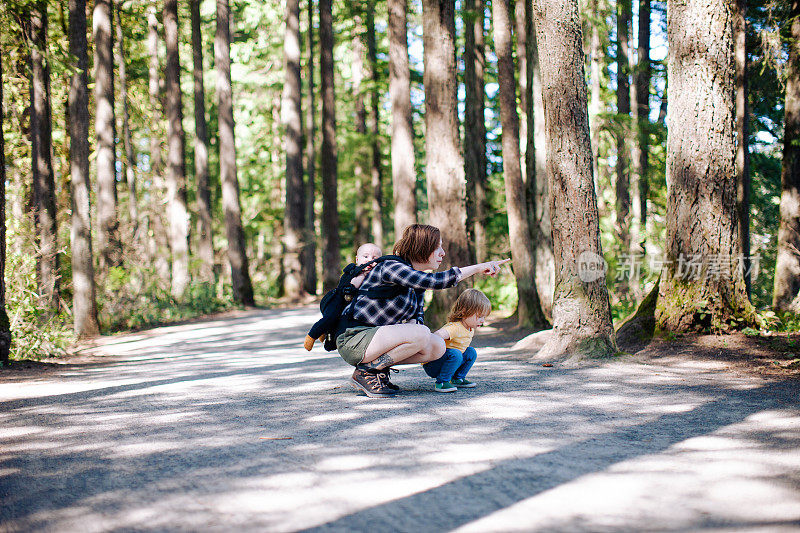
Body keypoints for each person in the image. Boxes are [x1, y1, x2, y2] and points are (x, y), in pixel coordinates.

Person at [337, 224, 509, 398]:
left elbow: (416, 317)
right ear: (421, 247)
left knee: (436, 345)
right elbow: (435, 281)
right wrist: (479, 267)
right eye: (437, 247)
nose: (442, 253)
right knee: (422, 333)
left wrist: (414, 326)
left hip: (375, 340)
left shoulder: (415, 284)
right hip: (354, 339)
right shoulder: (391, 266)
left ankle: (376, 369)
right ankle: (367, 371)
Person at [303, 242, 382, 351]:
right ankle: (312, 335)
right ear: (357, 259)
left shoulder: (376, 274)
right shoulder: (354, 271)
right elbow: (351, 286)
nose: (370, 260)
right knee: (332, 317)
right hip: (338, 299)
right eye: (365, 256)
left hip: (350, 305)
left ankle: (325, 333)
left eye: (374, 258)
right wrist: (362, 275)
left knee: (339, 322)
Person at [424, 288, 491, 392]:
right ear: (464, 311)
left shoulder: (470, 329)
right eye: (479, 316)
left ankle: (457, 378)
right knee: (456, 353)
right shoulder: (455, 327)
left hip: (449, 361)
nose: (482, 321)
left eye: (484, 317)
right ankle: (441, 382)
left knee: (471, 352)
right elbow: (436, 335)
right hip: (433, 365)